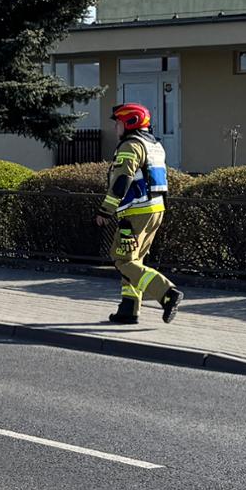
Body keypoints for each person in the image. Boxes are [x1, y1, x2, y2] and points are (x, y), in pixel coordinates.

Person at [97, 103, 183, 325]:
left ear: (129, 122)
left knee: (122, 259)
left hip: (136, 212)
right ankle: (129, 308)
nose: (116, 127)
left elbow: (122, 180)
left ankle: (167, 293)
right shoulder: (155, 145)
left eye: (118, 122)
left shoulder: (130, 146)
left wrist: (105, 210)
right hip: (155, 209)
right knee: (135, 260)